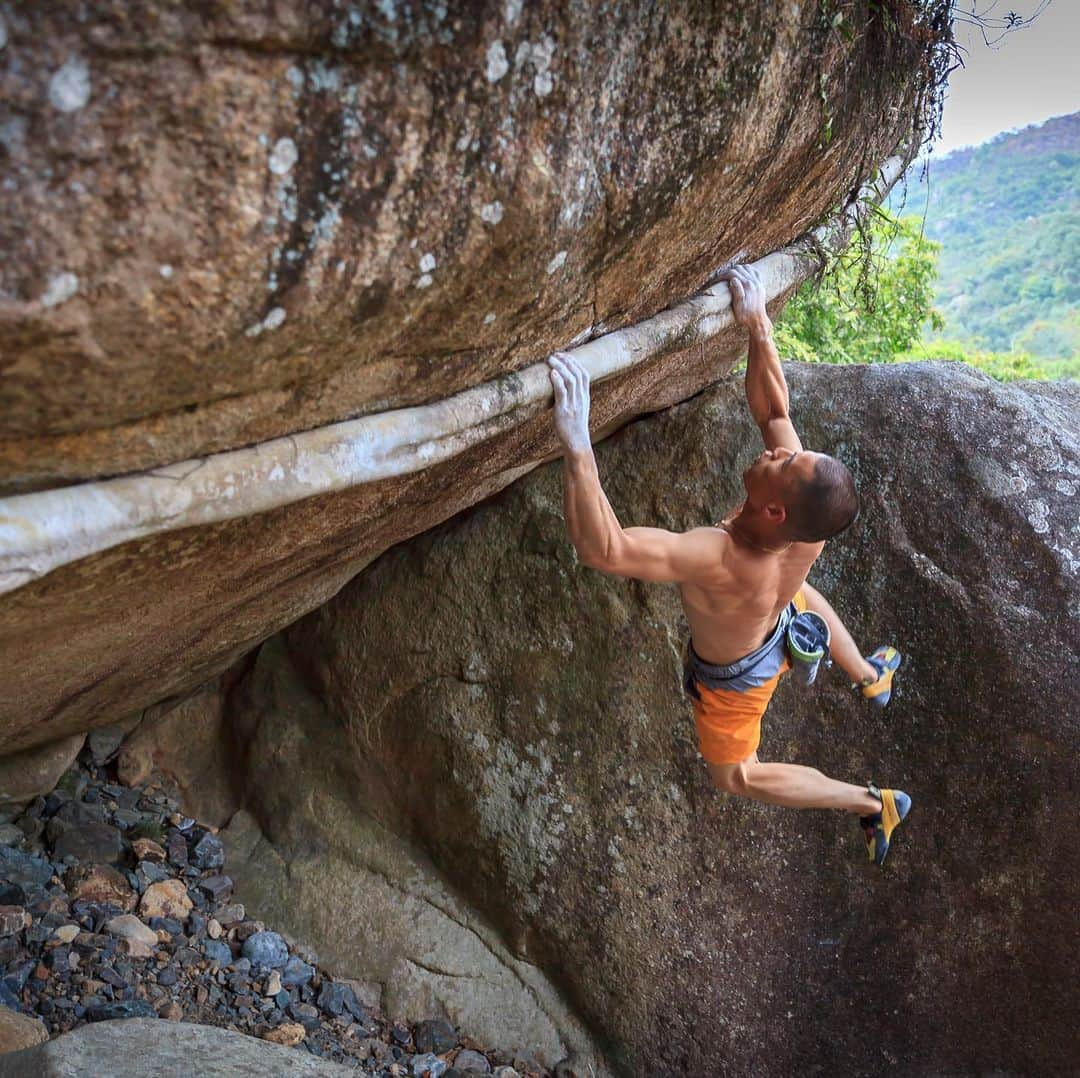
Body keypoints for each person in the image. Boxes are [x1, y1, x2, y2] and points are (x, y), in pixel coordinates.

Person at [546, 264, 910, 866]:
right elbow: (772, 411)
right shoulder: (804, 525)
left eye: (784, 463)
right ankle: (869, 673)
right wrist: (758, 325)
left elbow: (604, 549)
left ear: (771, 508)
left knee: (736, 775)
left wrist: (577, 444)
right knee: (799, 595)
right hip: (775, 612)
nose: (778, 450)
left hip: (740, 677)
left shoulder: (717, 556)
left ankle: (874, 804)